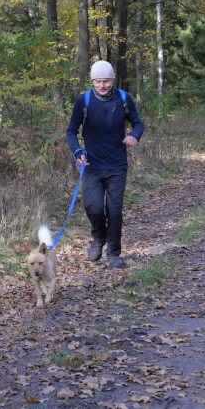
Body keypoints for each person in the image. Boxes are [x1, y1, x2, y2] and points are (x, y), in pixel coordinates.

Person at [66, 60, 145, 269]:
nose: (102, 85)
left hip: (117, 164)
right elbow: (71, 130)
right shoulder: (84, 100)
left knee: (114, 210)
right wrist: (77, 152)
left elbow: (138, 123)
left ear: (112, 80)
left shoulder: (123, 98)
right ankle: (98, 237)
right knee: (93, 207)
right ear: (93, 81)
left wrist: (134, 135)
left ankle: (113, 253)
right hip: (91, 165)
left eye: (106, 81)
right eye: (99, 81)